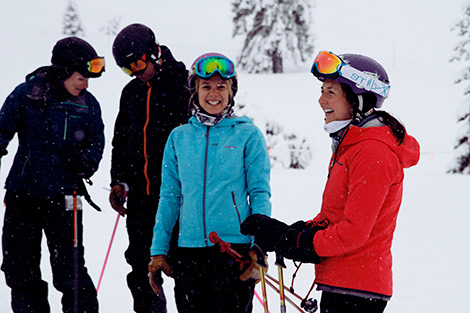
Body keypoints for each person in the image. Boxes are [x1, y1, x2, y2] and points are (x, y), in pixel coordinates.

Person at [241, 50, 420, 313]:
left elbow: (354, 232)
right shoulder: (353, 146)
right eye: (322, 90)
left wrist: (299, 243)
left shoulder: (372, 152)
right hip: (345, 283)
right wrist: (290, 232)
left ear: (358, 100)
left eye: (330, 92)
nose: (320, 99)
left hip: (358, 288)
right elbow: (334, 217)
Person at [148, 52, 272, 313]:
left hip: (234, 252)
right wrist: (158, 250)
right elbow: (169, 197)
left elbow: (259, 193)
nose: (213, 93)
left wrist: (258, 246)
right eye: (206, 86)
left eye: (221, 86)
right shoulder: (178, 137)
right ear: (195, 90)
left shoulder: (247, 134)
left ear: (231, 90)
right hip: (189, 252)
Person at [0, 36, 105, 312]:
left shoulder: (88, 105)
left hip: (67, 197)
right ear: (62, 70)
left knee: (70, 269)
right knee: (20, 269)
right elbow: (1, 131)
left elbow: (97, 141)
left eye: (88, 79)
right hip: (23, 194)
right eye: (81, 77)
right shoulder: (27, 94)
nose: (85, 84)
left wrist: (89, 161)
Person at [108, 23, 190, 313]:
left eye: (138, 64)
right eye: (126, 69)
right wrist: (118, 180)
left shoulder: (185, 84)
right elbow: (121, 140)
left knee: (183, 267)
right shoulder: (132, 92)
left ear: (154, 52)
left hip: (179, 199)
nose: (135, 72)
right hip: (142, 198)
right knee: (141, 267)